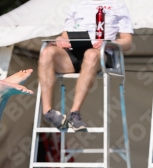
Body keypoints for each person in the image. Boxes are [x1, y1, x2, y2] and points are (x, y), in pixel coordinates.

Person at [39, 0, 133, 131]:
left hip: (101, 54)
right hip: (74, 53)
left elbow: (128, 42)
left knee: (91, 54)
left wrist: (110, 42)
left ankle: (74, 113)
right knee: (47, 52)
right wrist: (60, 39)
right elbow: (65, 35)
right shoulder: (77, 4)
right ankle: (48, 112)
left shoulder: (118, 5)